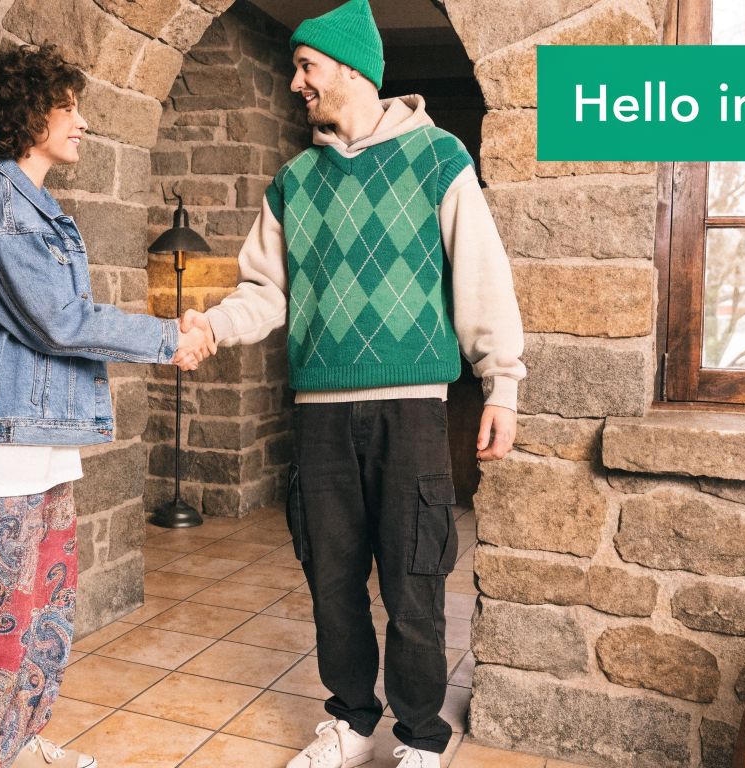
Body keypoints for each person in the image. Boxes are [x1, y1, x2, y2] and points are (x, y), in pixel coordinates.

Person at [182, 1, 525, 766]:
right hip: (321, 415)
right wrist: (212, 324)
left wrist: (501, 383)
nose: (296, 82)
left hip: (410, 408)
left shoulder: (439, 159)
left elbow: (481, 276)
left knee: (413, 583)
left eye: (306, 66)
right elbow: (264, 291)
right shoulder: (294, 182)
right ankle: (351, 721)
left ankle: (421, 739)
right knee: (331, 579)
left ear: (351, 68)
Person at [0, 44, 212, 768]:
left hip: (36, 433)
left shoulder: (31, 205)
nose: (82, 122)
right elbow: (62, 320)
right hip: (1, 442)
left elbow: (58, 321)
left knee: (42, 602)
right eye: (68, 107)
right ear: (27, 114)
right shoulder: (0, 206)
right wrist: (166, 337)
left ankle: (19, 740)